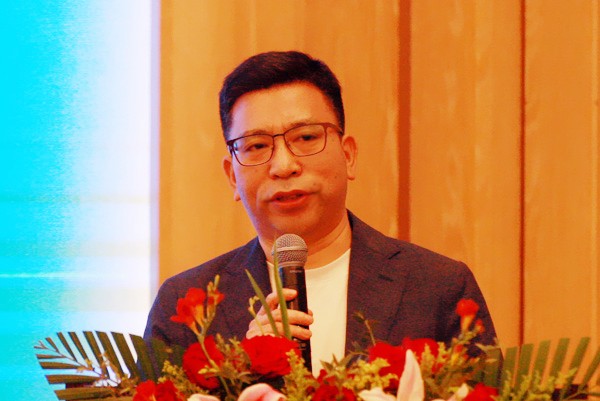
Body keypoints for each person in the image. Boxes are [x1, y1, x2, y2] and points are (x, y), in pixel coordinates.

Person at [143, 51, 497, 374]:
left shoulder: (438, 287)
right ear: (232, 176)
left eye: (306, 138)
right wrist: (242, 372)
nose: (284, 166)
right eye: (257, 145)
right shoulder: (185, 306)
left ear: (348, 155)